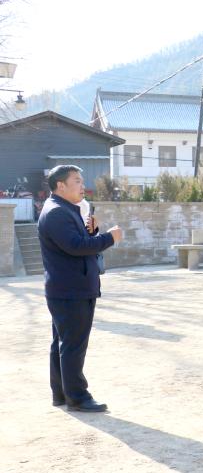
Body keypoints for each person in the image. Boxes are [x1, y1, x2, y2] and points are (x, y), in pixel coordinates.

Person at [37, 165, 123, 412]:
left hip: (68, 287)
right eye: (76, 181)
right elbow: (76, 246)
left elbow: (78, 241)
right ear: (60, 185)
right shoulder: (57, 212)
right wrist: (109, 238)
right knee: (73, 345)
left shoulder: (64, 209)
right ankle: (78, 397)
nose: (82, 185)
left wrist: (92, 231)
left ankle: (62, 394)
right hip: (71, 289)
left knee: (64, 343)